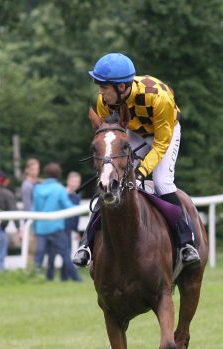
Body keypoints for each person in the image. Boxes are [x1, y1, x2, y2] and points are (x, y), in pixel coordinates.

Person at [72, 52, 200, 268]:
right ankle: (87, 244)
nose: (100, 93)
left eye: (104, 87)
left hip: (164, 134)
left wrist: (141, 172)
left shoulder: (158, 98)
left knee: (161, 182)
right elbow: (109, 136)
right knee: (110, 179)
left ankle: (186, 242)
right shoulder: (104, 102)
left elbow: (160, 145)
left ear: (121, 87)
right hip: (133, 133)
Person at [33, 162, 81, 282]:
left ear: (46, 174)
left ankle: (34, 277)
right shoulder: (59, 189)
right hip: (56, 227)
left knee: (39, 254)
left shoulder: (37, 189)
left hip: (41, 227)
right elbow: (68, 206)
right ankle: (76, 279)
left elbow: (35, 209)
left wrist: (35, 228)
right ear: (58, 175)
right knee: (65, 253)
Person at [62, 171, 83, 282]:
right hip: (61, 227)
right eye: (74, 181)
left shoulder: (77, 196)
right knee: (65, 252)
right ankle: (72, 277)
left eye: (78, 181)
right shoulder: (63, 194)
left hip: (70, 228)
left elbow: (76, 215)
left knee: (67, 251)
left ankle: (64, 277)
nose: (76, 183)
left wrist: (75, 230)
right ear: (68, 181)